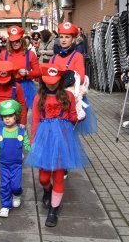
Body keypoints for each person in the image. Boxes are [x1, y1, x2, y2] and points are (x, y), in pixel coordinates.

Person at [26, 62, 88, 227]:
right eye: (47, 81)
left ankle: (53, 210)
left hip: (63, 138)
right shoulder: (39, 97)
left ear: (59, 80)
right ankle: (47, 190)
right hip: (44, 138)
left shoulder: (67, 96)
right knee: (43, 177)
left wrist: (80, 114)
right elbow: (36, 121)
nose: (50, 84)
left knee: (59, 175)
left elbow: (72, 116)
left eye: (54, 81)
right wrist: (33, 142)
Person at [51, 22, 96, 135]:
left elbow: (80, 78)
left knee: (68, 132)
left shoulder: (77, 56)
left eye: (67, 37)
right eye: (61, 37)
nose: (64, 40)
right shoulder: (54, 57)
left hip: (70, 99)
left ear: (73, 39)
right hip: (54, 97)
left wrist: (60, 80)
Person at [0, 100, 30, 218]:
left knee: (16, 186)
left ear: (16, 117)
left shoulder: (22, 132)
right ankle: (5, 206)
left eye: (10, 116)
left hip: (16, 165)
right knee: (4, 186)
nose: (7, 119)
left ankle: (17, 194)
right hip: (3, 165)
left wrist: (36, 152)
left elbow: (28, 146)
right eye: (4, 116)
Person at [0, 60, 27, 139]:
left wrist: (23, 121)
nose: (3, 83)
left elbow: (22, 104)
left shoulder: (17, 86)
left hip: (13, 118)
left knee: (11, 140)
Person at [0, 25, 40, 109]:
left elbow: (38, 72)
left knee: (21, 116)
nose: (15, 43)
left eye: (17, 40)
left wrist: (27, 73)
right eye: (13, 41)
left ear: (22, 40)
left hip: (25, 88)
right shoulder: (3, 54)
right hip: (7, 87)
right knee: (7, 115)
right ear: (9, 41)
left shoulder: (30, 54)